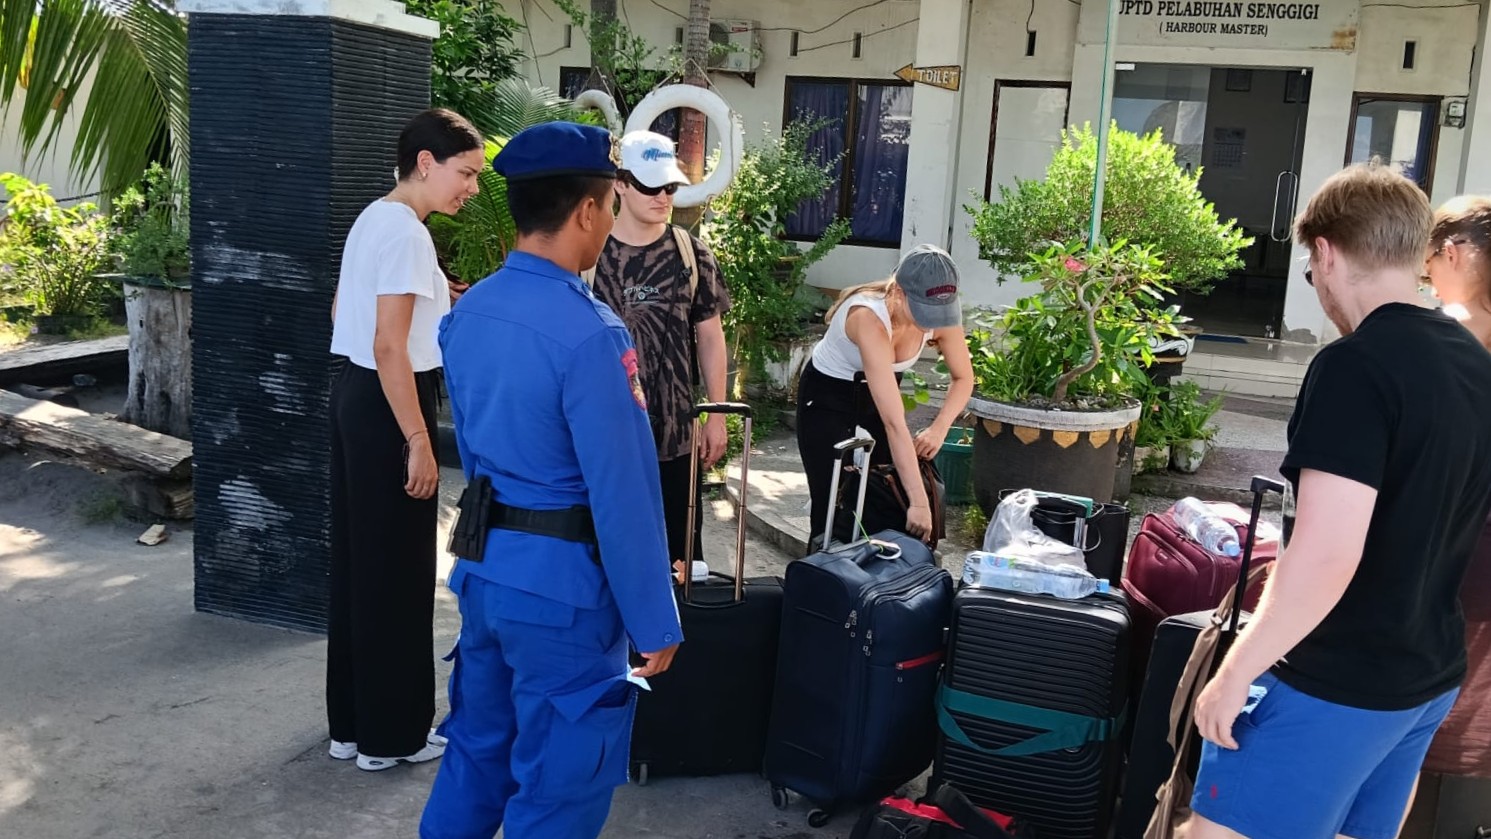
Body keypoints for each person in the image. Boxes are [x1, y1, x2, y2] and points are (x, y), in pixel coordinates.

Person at [1187, 165, 1491, 839]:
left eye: (1310, 271)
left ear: (1325, 253)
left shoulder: (1355, 365)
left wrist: (1235, 671)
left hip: (1339, 677)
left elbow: (1326, 554)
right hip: (1428, 675)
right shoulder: (1472, 359)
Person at [419, 121, 682, 839]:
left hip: (485, 571)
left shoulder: (469, 311)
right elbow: (623, 492)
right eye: (611, 201)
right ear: (589, 210)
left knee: (476, 753)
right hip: (565, 595)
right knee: (560, 786)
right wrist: (654, 618)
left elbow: (476, 455)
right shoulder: (593, 333)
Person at [326, 107, 483, 772]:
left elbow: (344, 310)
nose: (471, 187)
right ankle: (393, 736)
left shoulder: (374, 218)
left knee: (360, 565)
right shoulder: (409, 236)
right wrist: (419, 437)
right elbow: (390, 343)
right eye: (465, 172)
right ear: (425, 163)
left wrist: (440, 298)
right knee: (398, 572)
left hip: (354, 394)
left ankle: (353, 727)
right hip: (391, 399)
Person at [589, 130, 730, 576]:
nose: (663, 196)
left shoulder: (692, 254)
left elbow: (710, 337)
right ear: (620, 183)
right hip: (606, 436)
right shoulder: (588, 255)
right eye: (650, 185)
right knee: (607, 560)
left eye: (669, 186)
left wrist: (717, 415)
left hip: (677, 437)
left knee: (682, 565)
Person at [795, 244, 975, 547]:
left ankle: (881, 569)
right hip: (827, 397)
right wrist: (919, 502)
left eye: (940, 312)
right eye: (926, 311)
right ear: (900, 293)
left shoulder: (941, 315)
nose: (934, 321)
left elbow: (964, 377)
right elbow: (894, 423)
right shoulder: (868, 317)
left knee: (886, 494)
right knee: (832, 503)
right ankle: (821, 564)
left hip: (876, 395)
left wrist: (939, 428)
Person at [1420, 195, 1491, 781]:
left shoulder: (1448, 329)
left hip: (1454, 537)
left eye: (1429, 264)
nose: (1428, 280)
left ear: (1454, 252)